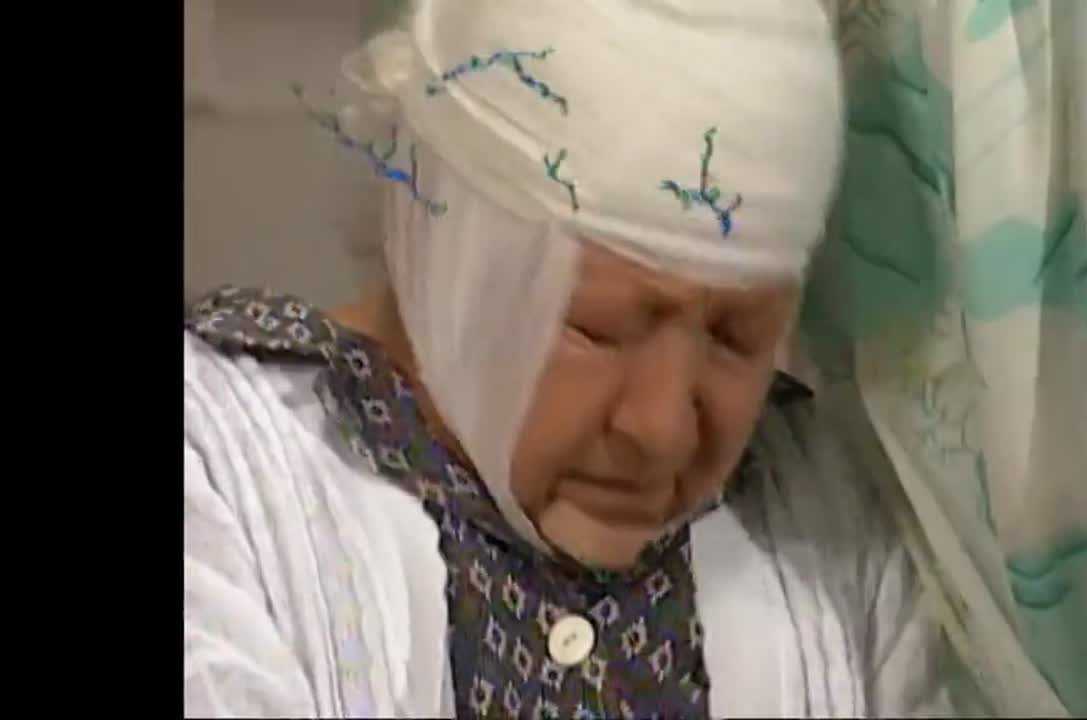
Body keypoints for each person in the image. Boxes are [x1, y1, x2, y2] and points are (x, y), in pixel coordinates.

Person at [183, 0, 959, 716]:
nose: (661, 427)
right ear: (451, 254)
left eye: (737, 338)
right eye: (600, 328)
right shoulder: (217, 482)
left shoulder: (826, 523)